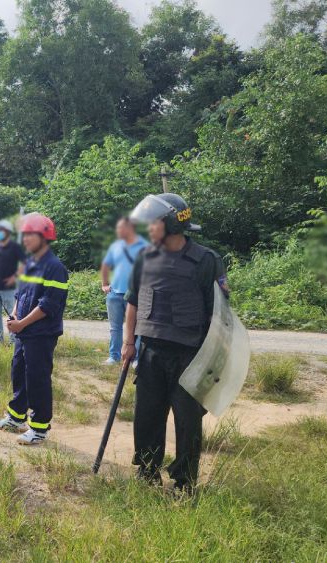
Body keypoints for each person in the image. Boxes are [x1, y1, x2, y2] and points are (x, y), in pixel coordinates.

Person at [122, 193, 228, 493]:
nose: (147, 229)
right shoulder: (144, 257)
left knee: (188, 421)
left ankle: (184, 481)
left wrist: (214, 360)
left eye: (152, 223)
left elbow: (220, 315)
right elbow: (132, 303)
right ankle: (147, 470)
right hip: (151, 351)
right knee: (148, 415)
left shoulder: (206, 261)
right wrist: (129, 343)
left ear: (169, 224)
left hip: (191, 356)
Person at [0, 214, 68, 446]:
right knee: (19, 372)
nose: (24, 240)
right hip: (24, 333)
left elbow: (49, 305)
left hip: (41, 334)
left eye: (29, 235)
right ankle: (16, 417)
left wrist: (22, 323)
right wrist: (15, 315)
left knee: (38, 379)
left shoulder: (55, 268)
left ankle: (39, 428)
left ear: (44, 237)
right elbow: (19, 295)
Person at [100, 217, 149, 365]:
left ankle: (136, 359)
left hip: (135, 295)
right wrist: (104, 284)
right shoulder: (115, 246)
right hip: (115, 293)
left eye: (120, 228)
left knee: (137, 328)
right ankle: (114, 356)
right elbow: (105, 265)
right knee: (115, 328)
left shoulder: (144, 246)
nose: (118, 231)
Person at [0, 219, 26, 345]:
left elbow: (25, 263)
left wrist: (14, 277)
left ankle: (13, 341)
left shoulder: (15, 247)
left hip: (9, 290)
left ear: (7, 232)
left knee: (12, 315)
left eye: (0, 230)